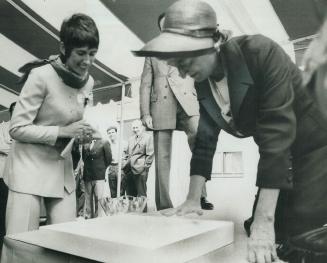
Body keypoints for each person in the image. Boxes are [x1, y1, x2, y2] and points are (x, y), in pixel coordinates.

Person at [133, 0, 327, 262]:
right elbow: (205, 139)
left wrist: (264, 220)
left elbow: (276, 137)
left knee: (302, 237)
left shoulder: (260, 52)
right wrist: (192, 199)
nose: (179, 70)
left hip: (316, 148)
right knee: (263, 230)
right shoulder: (203, 82)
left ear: (211, 42)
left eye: (183, 58)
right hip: (283, 160)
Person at [2, 13, 98, 238]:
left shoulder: (89, 81)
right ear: (64, 48)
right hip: (28, 168)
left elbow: (71, 121)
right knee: (22, 245)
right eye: (81, 53)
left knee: (66, 241)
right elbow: (16, 128)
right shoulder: (40, 76)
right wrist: (63, 132)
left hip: (61, 171)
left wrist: (81, 134)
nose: (87, 61)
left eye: (92, 54)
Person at [139, 13, 213, 211]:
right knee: (162, 155)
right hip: (161, 104)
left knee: (200, 141)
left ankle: (199, 196)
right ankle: (164, 204)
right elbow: (145, 83)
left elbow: (202, 74)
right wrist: (145, 112)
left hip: (188, 99)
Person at [124, 120, 154, 205]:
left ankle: (143, 215)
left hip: (141, 170)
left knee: (141, 195)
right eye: (133, 127)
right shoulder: (130, 139)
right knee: (130, 195)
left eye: (137, 127)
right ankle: (132, 215)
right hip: (129, 170)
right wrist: (125, 164)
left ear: (141, 127)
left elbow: (150, 154)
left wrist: (145, 168)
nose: (135, 129)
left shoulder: (147, 137)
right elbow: (127, 153)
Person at [82, 138, 112, 218]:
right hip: (87, 175)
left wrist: (101, 169)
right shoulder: (85, 143)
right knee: (88, 198)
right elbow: (83, 158)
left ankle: (98, 218)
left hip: (99, 175)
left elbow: (108, 159)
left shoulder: (104, 142)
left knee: (99, 198)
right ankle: (88, 218)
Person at [0, 102, 15, 250]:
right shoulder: (3, 127)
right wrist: (17, 147)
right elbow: (1, 146)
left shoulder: (25, 127)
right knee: (3, 209)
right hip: (2, 175)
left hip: (19, 176)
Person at [107, 125, 128, 198]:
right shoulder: (107, 145)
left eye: (113, 132)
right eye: (109, 133)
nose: (111, 134)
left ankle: (121, 209)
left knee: (121, 191)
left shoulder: (123, 143)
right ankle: (114, 209)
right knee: (113, 192)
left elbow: (128, 156)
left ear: (116, 133)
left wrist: (124, 165)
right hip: (111, 168)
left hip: (121, 168)